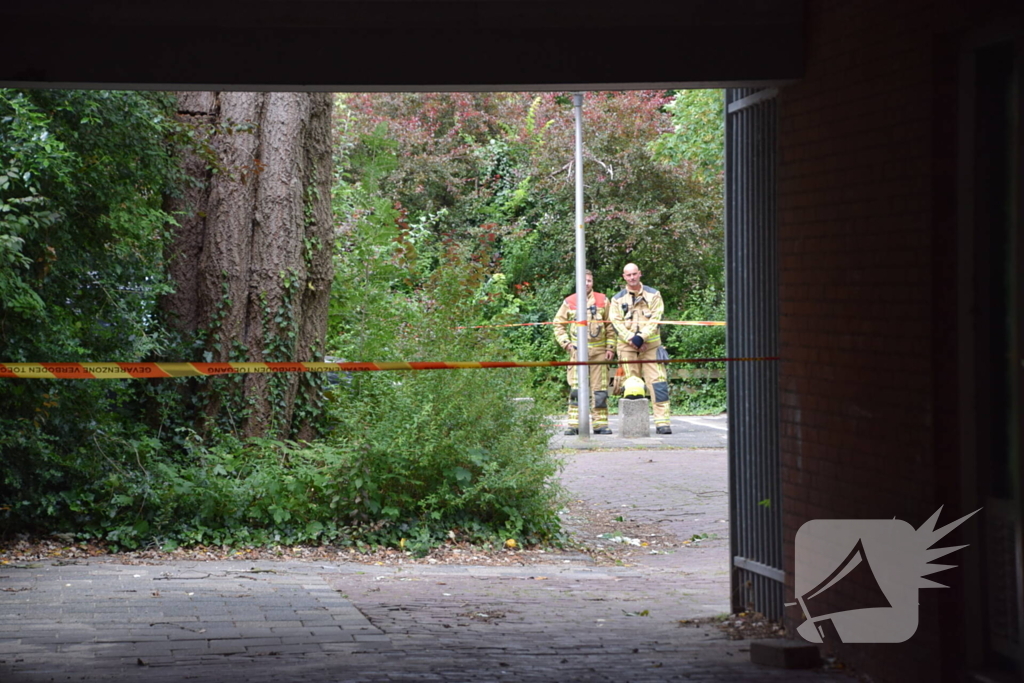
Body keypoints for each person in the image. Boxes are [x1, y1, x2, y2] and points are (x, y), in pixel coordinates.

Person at [609, 262, 673, 434]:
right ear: (624, 277)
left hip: (651, 346)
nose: (632, 277)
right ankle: (633, 425)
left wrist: (641, 337)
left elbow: (656, 318)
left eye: (634, 274)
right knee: (631, 386)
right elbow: (616, 323)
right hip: (627, 347)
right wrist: (632, 339)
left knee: (658, 384)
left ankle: (662, 422)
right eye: (628, 275)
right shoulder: (617, 299)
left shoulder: (654, 295)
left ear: (640, 274)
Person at [553, 270, 616, 435]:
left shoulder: (603, 300)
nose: (586, 283)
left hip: (599, 351)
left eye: (589, 280)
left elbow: (610, 326)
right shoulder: (570, 301)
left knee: (600, 389)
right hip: (578, 352)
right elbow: (558, 324)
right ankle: (574, 425)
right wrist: (566, 344)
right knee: (576, 388)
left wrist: (610, 348)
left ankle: (600, 424)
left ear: (592, 282)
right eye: (583, 280)